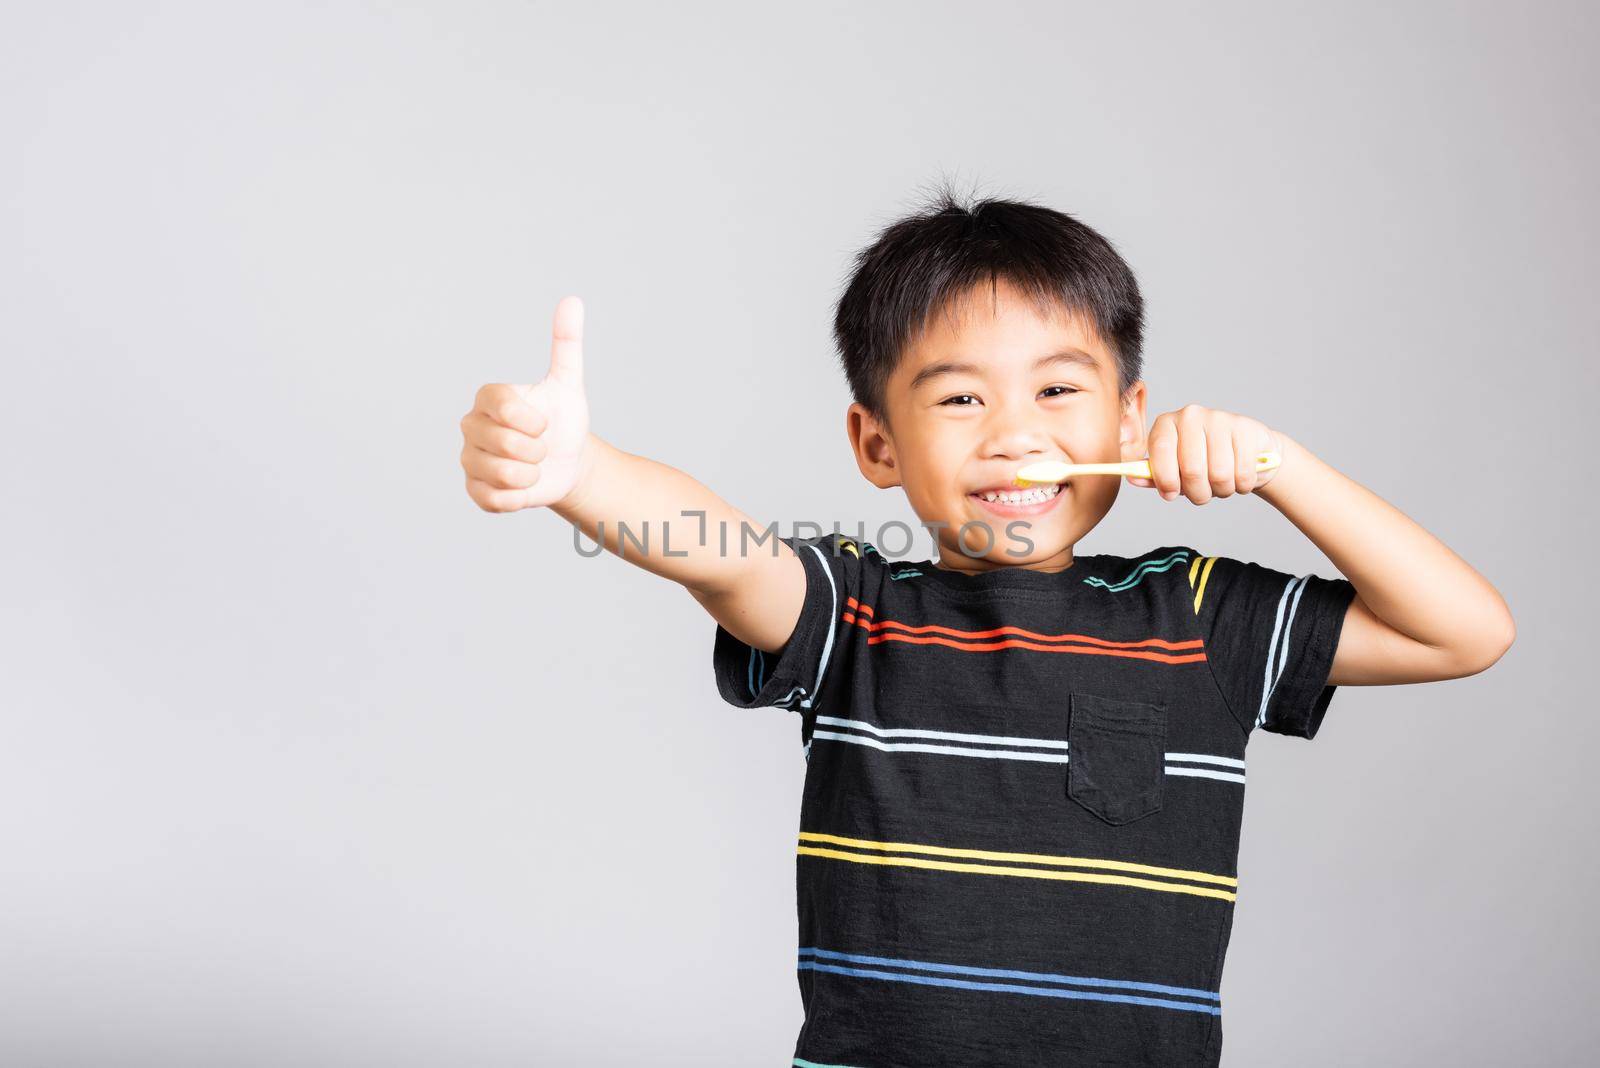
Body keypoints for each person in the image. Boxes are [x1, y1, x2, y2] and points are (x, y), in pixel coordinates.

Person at [458, 187, 1515, 1067]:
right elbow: (725, 552)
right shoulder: (854, 616)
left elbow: (1461, 633)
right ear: (876, 445)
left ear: (1127, 422)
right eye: (960, 401)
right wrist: (581, 475)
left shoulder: (1199, 614)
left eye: (1059, 389)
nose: (1016, 436)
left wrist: (1285, 471)